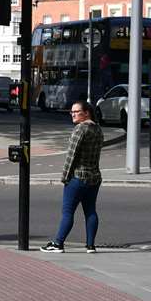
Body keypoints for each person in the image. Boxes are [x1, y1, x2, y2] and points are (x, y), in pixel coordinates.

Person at [41, 100, 103, 253]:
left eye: (76, 112)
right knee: (90, 211)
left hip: (77, 177)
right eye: (72, 112)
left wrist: (65, 177)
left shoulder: (80, 129)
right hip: (94, 177)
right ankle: (90, 245)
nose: (73, 114)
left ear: (86, 113)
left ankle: (58, 243)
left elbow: (71, 155)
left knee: (68, 212)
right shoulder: (98, 129)